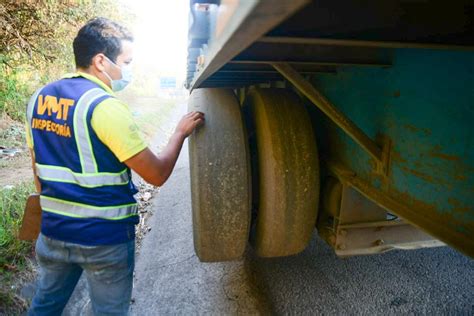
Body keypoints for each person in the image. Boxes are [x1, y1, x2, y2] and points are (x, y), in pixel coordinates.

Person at [25, 17, 204, 315]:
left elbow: (38, 172)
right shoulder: (104, 106)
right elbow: (156, 174)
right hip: (103, 241)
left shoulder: (39, 98)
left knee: (44, 306)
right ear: (100, 61)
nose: (127, 70)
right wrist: (179, 133)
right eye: (126, 61)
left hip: (54, 234)